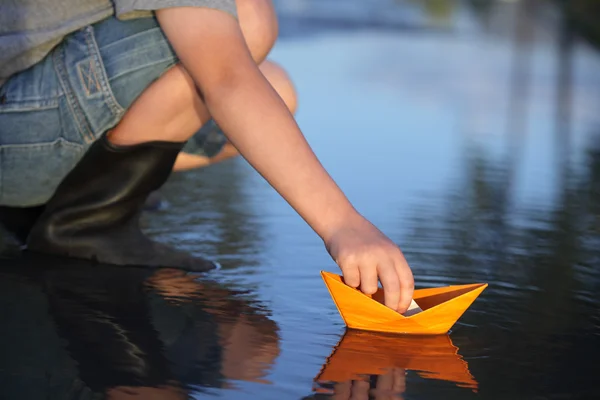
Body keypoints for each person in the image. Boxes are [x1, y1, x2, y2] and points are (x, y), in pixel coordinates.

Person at [0, 0, 414, 312]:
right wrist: (343, 224)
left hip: (29, 138)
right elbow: (227, 78)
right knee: (244, 24)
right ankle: (85, 224)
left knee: (275, 87)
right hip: (14, 144)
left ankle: (87, 189)